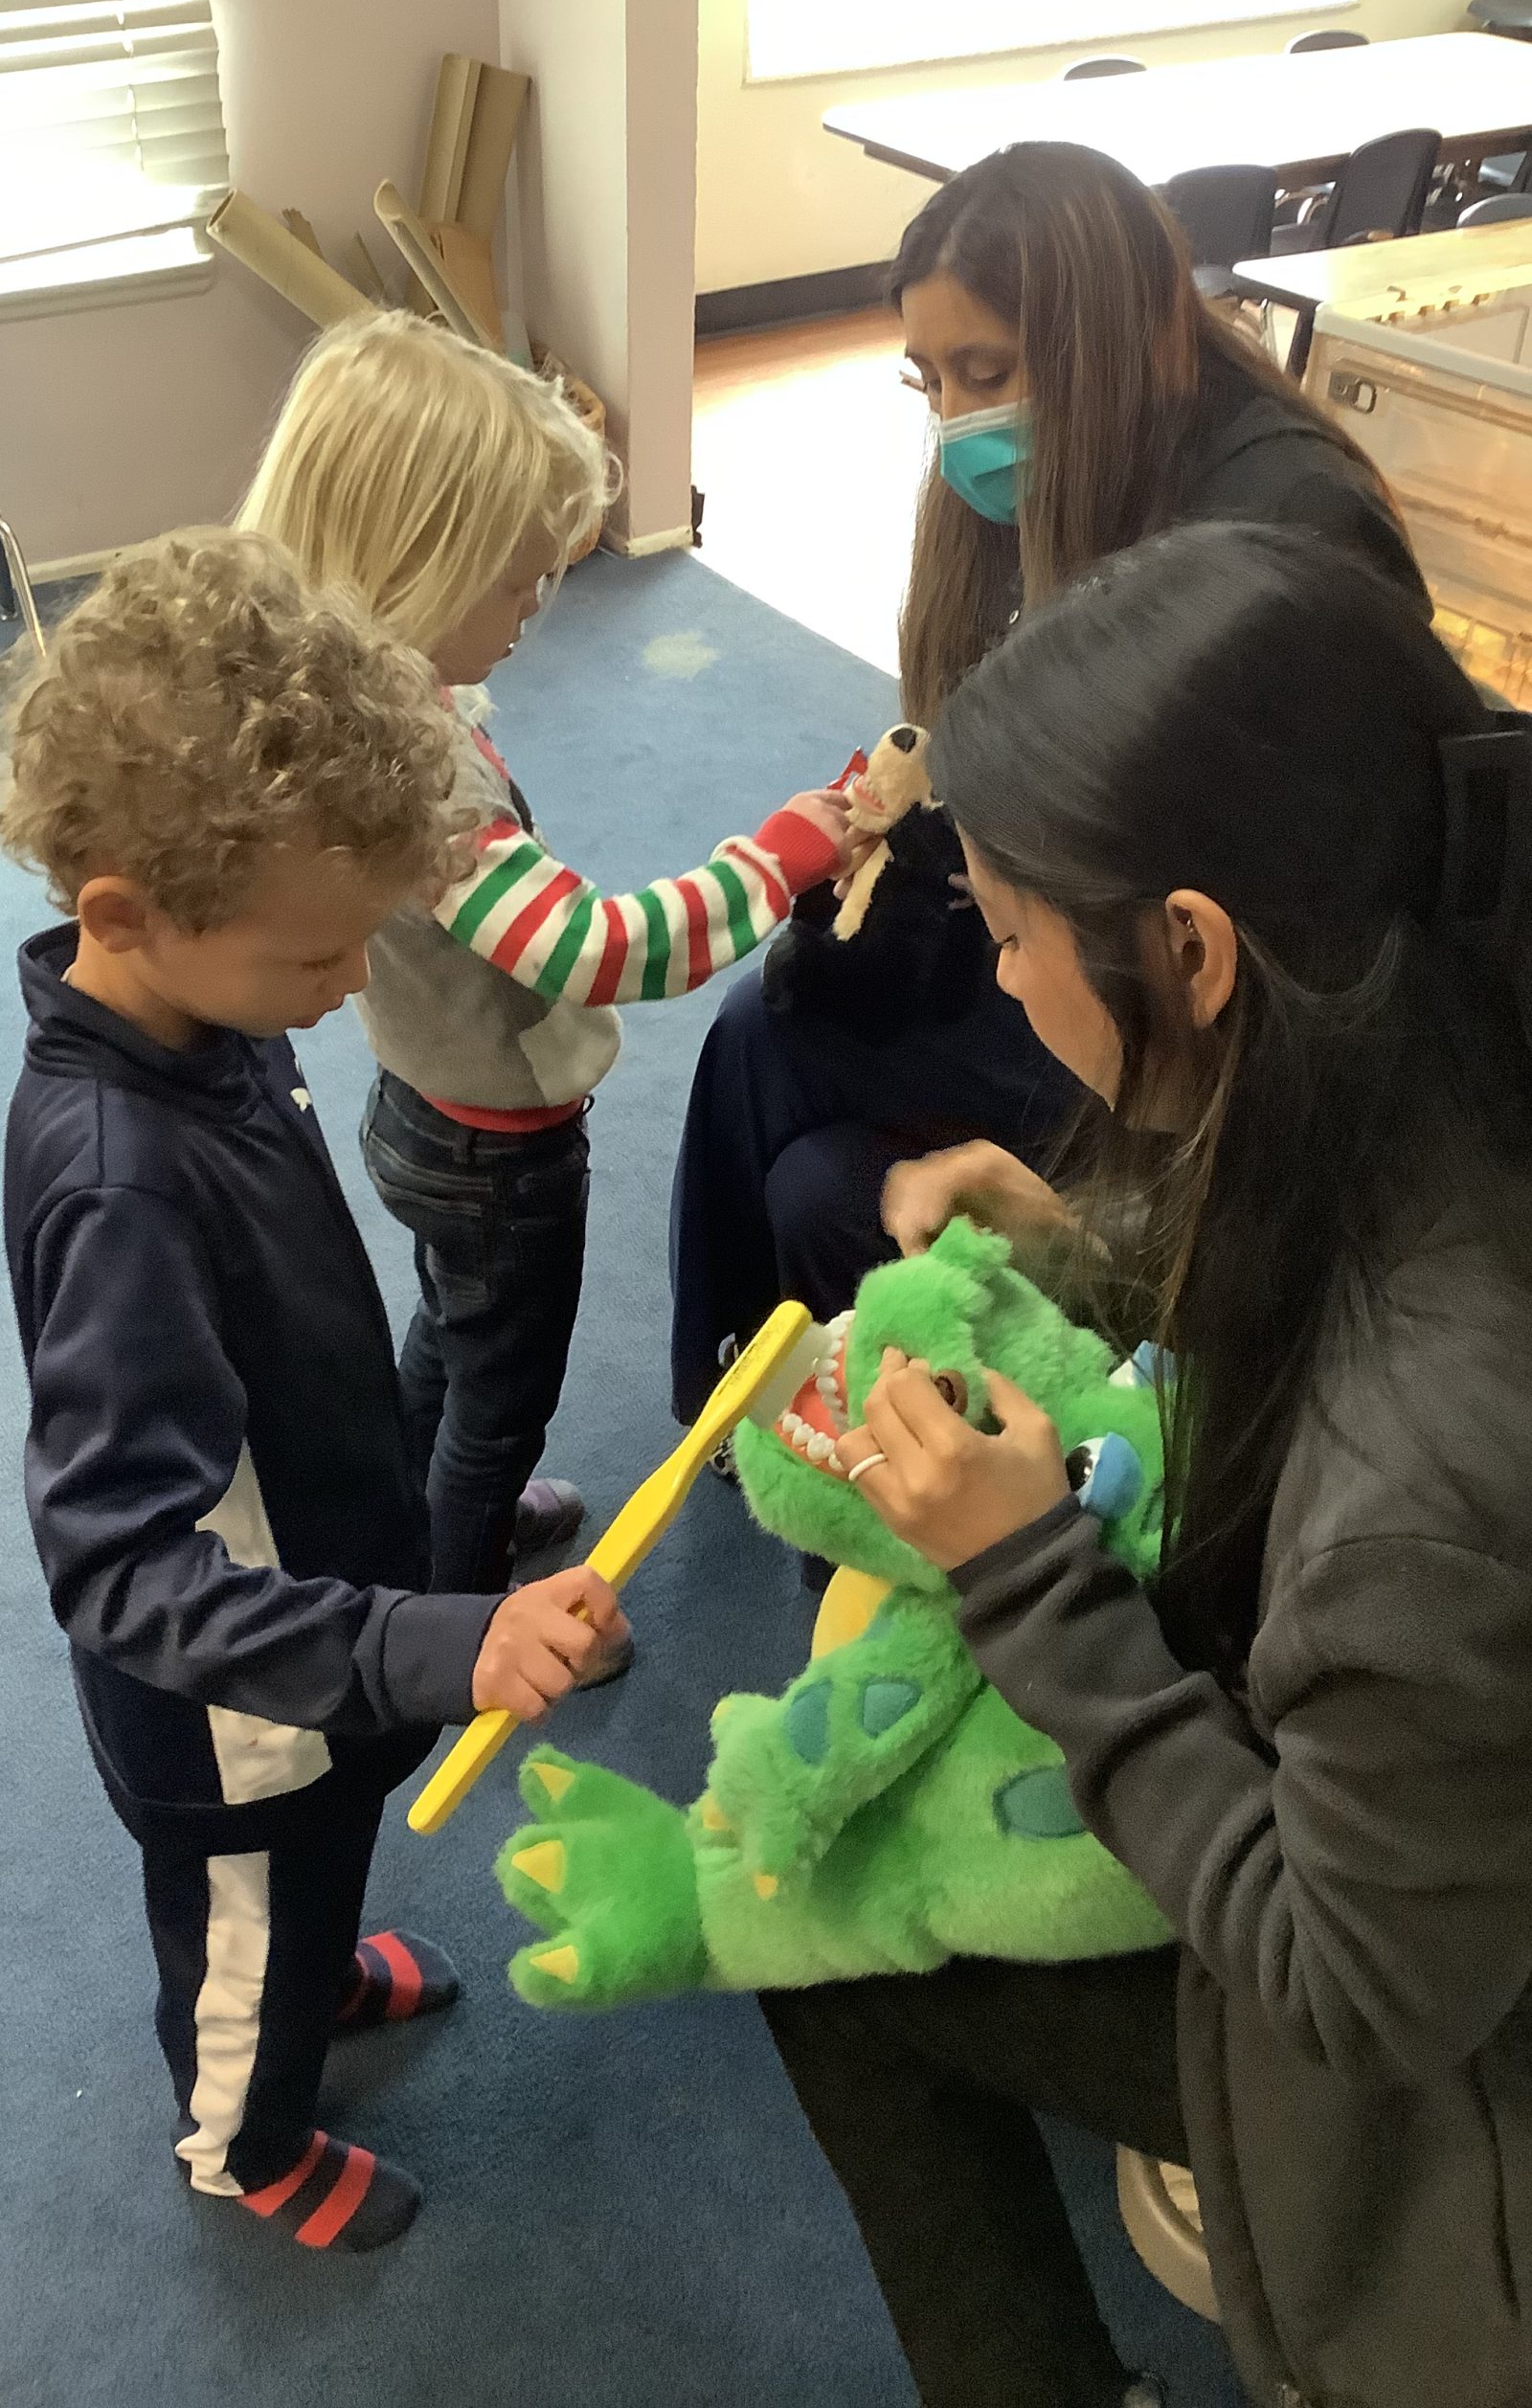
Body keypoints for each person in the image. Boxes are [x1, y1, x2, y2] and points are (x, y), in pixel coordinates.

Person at [761, 521, 1532, 2408]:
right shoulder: (1449, 1045)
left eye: (1014, 932)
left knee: (817, 1923)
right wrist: (1086, 1243)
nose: (1008, 982)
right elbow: (1320, 1263)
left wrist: (1035, 1585)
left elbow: (1358, 1990)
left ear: (1186, 945)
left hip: (1442, 2110)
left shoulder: (1419, 1478)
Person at [0, 530, 618, 2254]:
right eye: (313, 961)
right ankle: (244, 2145)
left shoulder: (199, 1023)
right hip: (233, 1715)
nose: (348, 993)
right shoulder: (117, 1180)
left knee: (313, 1878)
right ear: (124, 912)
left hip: (315, 1618)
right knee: (243, 1919)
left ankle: (322, 1975)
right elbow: (118, 1569)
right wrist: (426, 1640)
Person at [669, 140, 1430, 1426]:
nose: (958, 419)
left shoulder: (1280, 535)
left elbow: (1263, 961)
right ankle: (745, 1406)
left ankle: (843, 1443)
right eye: (931, 381)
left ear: (1105, 340)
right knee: (767, 1029)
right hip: (1068, 935)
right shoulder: (1071, 471)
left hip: (1188, 1013)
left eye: (986, 372)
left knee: (818, 1178)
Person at [239, 311, 849, 1606]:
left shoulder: (345, 699)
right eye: (514, 581)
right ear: (413, 564)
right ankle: (465, 1610)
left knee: (447, 1334)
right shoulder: (425, 780)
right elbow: (595, 945)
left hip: (417, 1103)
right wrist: (784, 855)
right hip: (497, 1151)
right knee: (503, 1393)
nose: (537, 610)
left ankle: (417, 1509)